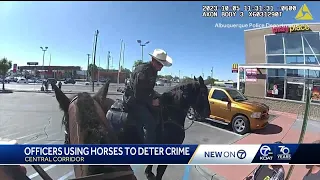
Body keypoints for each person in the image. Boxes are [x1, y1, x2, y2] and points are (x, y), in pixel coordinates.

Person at [123, 49, 172, 144]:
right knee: (150, 124)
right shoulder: (143, 71)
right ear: (153, 60)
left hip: (142, 98)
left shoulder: (153, 70)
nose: (161, 67)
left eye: (162, 64)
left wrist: (159, 96)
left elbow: (147, 89)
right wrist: (151, 101)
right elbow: (138, 93)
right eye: (159, 64)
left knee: (160, 111)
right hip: (133, 100)